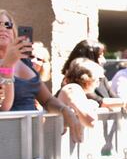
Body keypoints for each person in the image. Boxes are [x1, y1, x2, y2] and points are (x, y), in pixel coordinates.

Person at [0, 9, 83, 142]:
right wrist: (7, 67)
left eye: (7, 25)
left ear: (14, 30)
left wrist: (65, 110)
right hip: (7, 140)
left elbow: (47, 100)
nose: (3, 28)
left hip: (32, 138)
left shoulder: (25, 61)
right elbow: (4, 107)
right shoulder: (8, 64)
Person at [62, 39, 127, 111]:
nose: (104, 60)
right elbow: (98, 101)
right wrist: (124, 103)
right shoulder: (72, 82)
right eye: (100, 56)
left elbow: (114, 97)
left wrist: (126, 103)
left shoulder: (101, 78)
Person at [58, 58, 104, 129]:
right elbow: (91, 121)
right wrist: (90, 105)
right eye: (97, 79)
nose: (98, 84)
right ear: (86, 79)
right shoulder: (73, 89)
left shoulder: (74, 89)